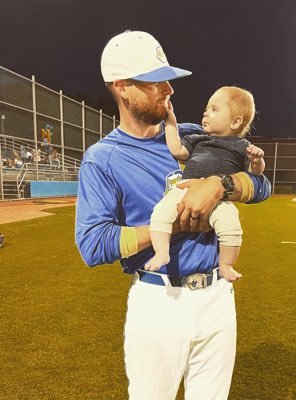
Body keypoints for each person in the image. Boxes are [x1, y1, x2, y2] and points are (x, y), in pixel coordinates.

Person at [75, 30, 271, 400]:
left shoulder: (194, 135)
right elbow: (92, 244)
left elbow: (263, 188)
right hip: (159, 303)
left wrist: (222, 185)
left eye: (167, 79)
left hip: (217, 296)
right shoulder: (103, 158)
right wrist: (173, 224)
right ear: (122, 87)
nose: (169, 89)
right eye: (155, 82)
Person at [145, 87, 265, 282]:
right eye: (206, 109)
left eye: (214, 109)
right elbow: (177, 150)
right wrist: (170, 122)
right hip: (185, 189)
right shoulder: (198, 138)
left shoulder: (243, 146)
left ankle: (226, 265)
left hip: (219, 199)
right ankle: (161, 253)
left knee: (231, 226)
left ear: (235, 122)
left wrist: (257, 160)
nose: (206, 112)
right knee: (160, 213)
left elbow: (254, 175)